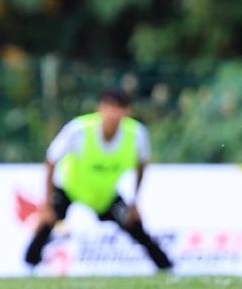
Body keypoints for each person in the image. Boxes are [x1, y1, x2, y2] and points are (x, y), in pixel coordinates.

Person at [24, 88, 173, 272]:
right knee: (48, 221)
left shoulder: (136, 134)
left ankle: (166, 268)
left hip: (105, 195)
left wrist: (135, 203)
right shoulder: (79, 130)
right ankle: (29, 266)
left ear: (128, 112)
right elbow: (51, 160)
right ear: (99, 108)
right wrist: (46, 203)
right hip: (71, 188)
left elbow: (142, 166)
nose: (114, 113)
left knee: (134, 225)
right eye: (110, 107)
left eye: (120, 108)